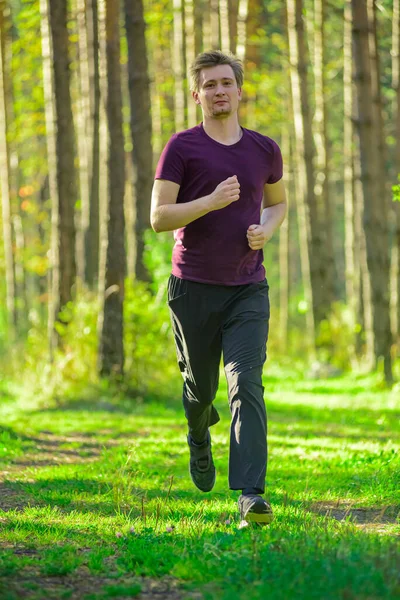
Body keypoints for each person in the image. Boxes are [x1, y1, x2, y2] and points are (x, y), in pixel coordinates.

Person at [150, 50, 287, 527]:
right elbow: (159, 217)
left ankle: (251, 494)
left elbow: (278, 203)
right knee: (201, 387)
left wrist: (266, 230)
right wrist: (208, 201)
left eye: (226, 82)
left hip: (248, 286)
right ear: (197, 95)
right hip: (193, 287)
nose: (219, 91)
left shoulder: (264, 148)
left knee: (245, 381)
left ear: (239, 89)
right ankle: (196, 430)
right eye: (209, 85)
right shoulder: (182, 148)